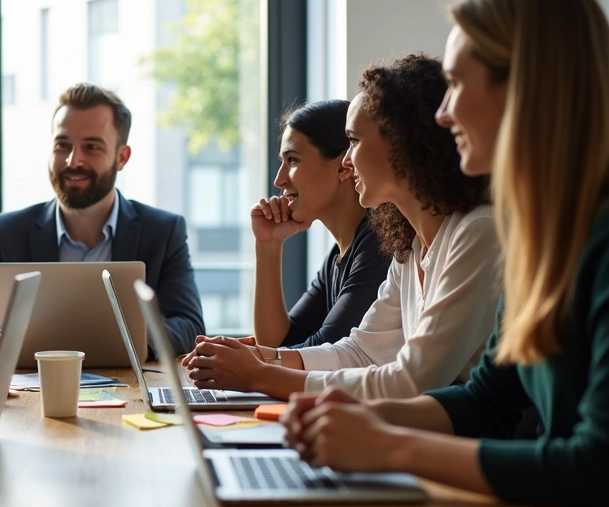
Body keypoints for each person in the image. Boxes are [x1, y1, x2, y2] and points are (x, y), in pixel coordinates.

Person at [282, 0, 609, 507]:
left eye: (456, 84)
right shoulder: (542, 233)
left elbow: (604, 470)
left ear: (527, 89)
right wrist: (357, 418)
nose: (443, 111)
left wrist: (390, 445)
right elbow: (487, 400)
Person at [186, 53, 499, 400]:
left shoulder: (477, 233)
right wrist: (259, 357)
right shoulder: (409, 248)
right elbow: (359, 353)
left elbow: (411, 380)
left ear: (402, 143)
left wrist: (259, 374)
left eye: (354, 141)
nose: (348, 162)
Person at [0, 82, 204, 366]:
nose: (74, 160)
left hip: (130, 392)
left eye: (92, 147)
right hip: (30, 394)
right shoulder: (5, 231)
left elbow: (189, 325)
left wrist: (129, 340)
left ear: (121, 157)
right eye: (62, 145)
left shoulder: (163, 231)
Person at [245, 101, 390, 350]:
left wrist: (248, 360)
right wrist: (268, 244)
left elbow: (323, 352)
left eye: (292, 160)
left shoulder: (379, 245)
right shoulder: (338, 254)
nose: (279, 179)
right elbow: (280, 343)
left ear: (344, 166)